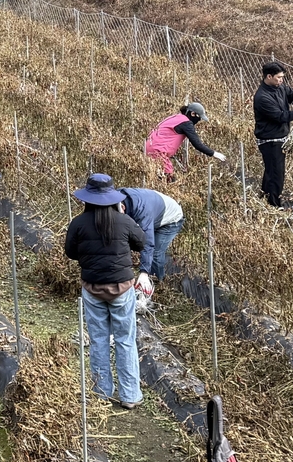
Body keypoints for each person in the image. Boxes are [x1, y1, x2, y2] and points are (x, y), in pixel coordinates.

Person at [64, 174, 148, 410]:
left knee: (99, 340)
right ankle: (130, 395)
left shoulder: (78, 223)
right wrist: (123, 217)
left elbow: (70, 252)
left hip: (92, 288)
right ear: (113, 198)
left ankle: (101, 393)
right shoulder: (124, 221)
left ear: (87, 198)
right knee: (125, 340)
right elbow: (141, 243)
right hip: (122, 288)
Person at [252, 62, 293, 208]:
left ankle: (265, 200)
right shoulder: (262, 97)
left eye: (282, 77)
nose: (281, 80)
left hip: (278, 138)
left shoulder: (279, 88)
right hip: (270, 140)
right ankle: (274, 206)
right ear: (269, 76)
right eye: (279, 77)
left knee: (272, 171)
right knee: (276, 174)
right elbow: (280, 116)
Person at [119, 187, 184, 284]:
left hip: (171, 220)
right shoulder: (115, 198)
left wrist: (144, 272)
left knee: (156, 253)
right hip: (155, 208)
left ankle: (156, 282)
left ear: (123, 208)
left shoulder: (142, 212)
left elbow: (148, 243)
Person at [144, 103, 226, 179]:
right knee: (169, 182)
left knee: (158, 180)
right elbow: (197, 144)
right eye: (199, 118)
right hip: (158, 152)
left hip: (149, 148)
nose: (199, 120)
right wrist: (215, 154)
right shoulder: (186, 123)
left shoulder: (177, 117)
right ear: (193, 114)